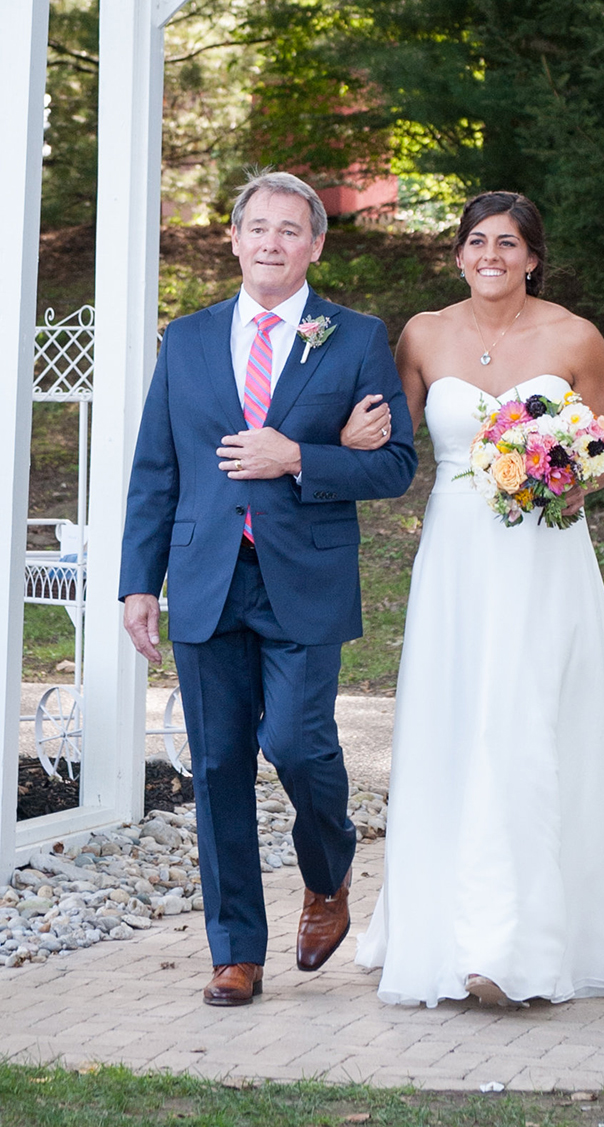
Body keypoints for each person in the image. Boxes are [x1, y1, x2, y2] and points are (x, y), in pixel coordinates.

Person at [354, 190, 604, 1007]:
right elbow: (391, 443)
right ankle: (450, 927)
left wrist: (576, 479)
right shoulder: (422, 334)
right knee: (457, 721)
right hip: (455, 559)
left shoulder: (574, 336)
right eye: (477, 241)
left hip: (544, 552)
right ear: (457, 254)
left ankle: (525, 940)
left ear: (533, 256)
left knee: (531, 723)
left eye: (508, 243)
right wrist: (340, 439)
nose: (491, 256)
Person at [119, 170, 417, 1006]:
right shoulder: (186, 338)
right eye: (258, 227)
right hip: (207, 576)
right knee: (216, 765)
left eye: (291, 230)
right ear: (235, 237)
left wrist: (299, 457)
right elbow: (156, 468)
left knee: (294, 740)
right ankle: (235, 952)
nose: (272, 243)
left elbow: (395, 464)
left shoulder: (354, 337)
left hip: (305, 579)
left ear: (316, 244)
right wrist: (139, 581)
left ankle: (329, 869)